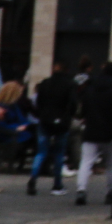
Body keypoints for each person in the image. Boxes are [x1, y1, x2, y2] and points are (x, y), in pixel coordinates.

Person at [74, 56, 112, 205]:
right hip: (109, 132)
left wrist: (84, 117)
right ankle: (111, 192)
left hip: (91, 130)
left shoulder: (90, 87)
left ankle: (81, 190)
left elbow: (83, 109)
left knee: (86, 162)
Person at [29, 59, 76, 194]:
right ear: (67, 70)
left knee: (41, 152)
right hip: (61, 122)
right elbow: (72, 104)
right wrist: (68, 117)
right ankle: (57, 184)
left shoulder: (45, 83)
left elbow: (38, 102)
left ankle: (33, 179)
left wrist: (41, 114)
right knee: (59, 153)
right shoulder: (70, 84)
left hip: (45, 120)